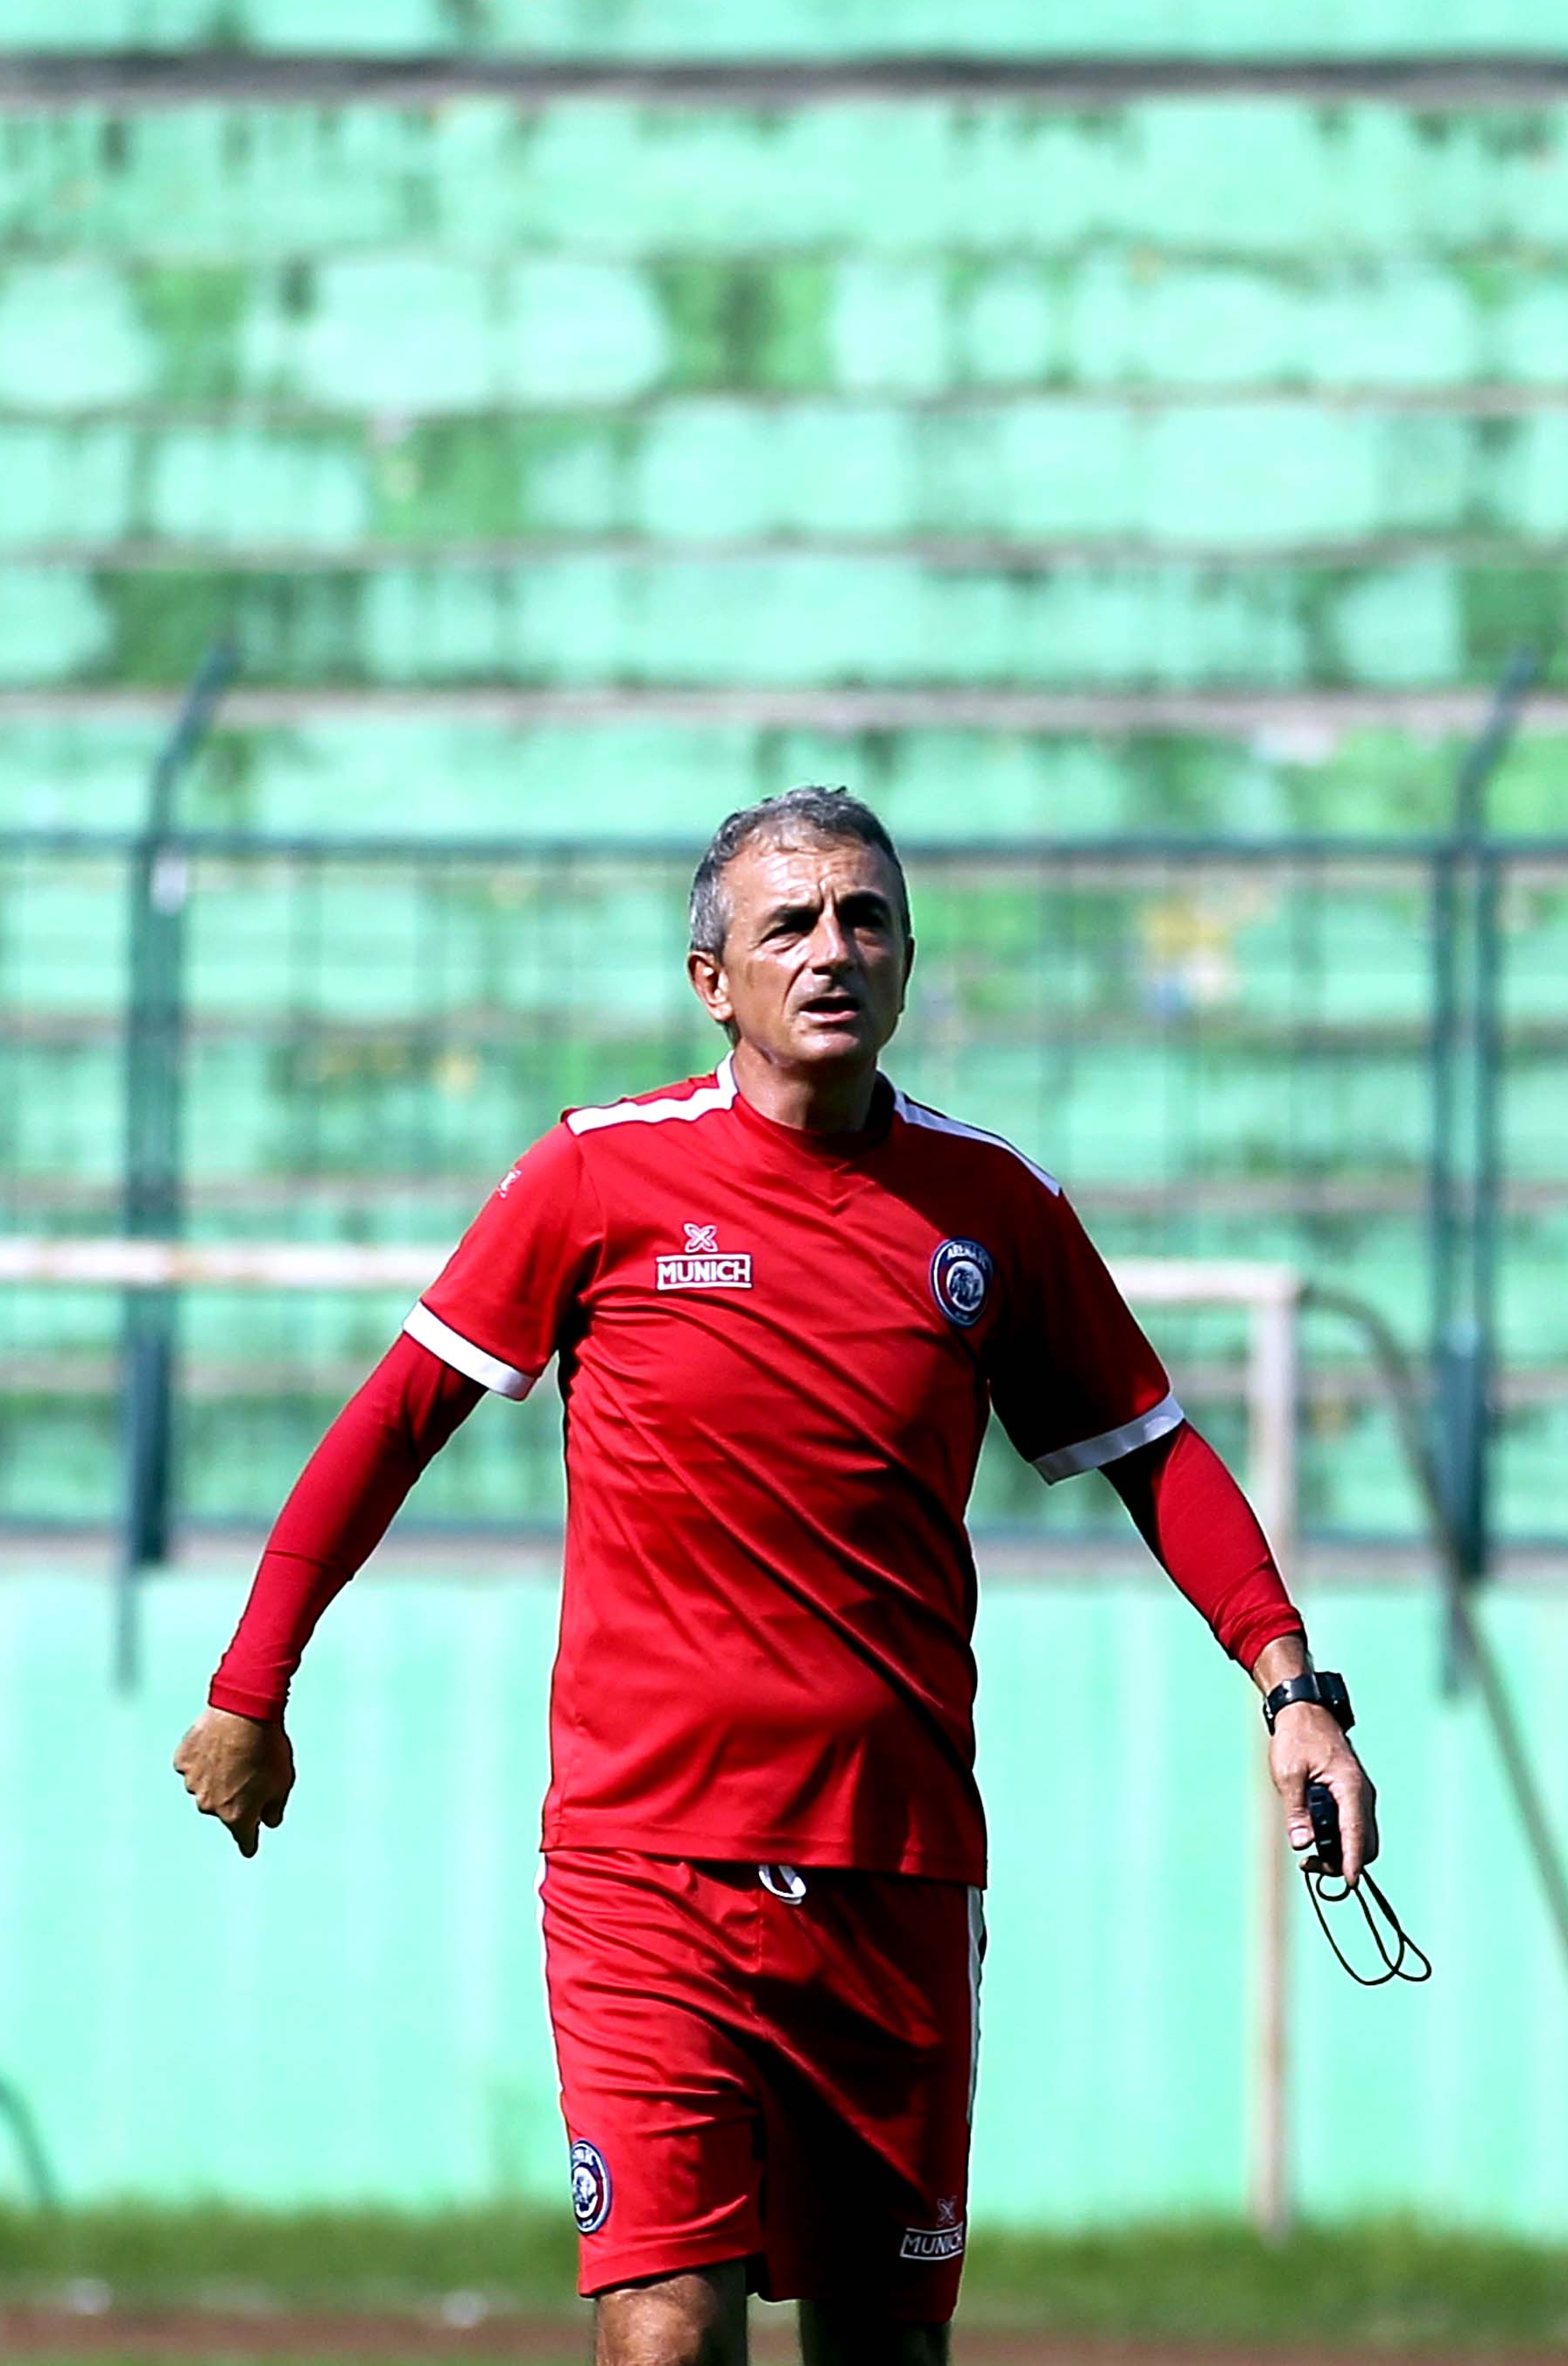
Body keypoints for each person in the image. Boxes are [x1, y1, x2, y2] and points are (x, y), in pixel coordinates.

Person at [174, 785, 1377, 2366]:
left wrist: (1292, 1690)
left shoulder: (993, 1209)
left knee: (883, 2350)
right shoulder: (596, 1183)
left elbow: (1153, 1453)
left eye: (866, 918)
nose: (834, 951)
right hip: (647, 1866)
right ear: (711, 981)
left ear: (908, 960)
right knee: (669, 2336)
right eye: (790, 924)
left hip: (895, 1869)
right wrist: (252, 1690)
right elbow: (393, 1423)